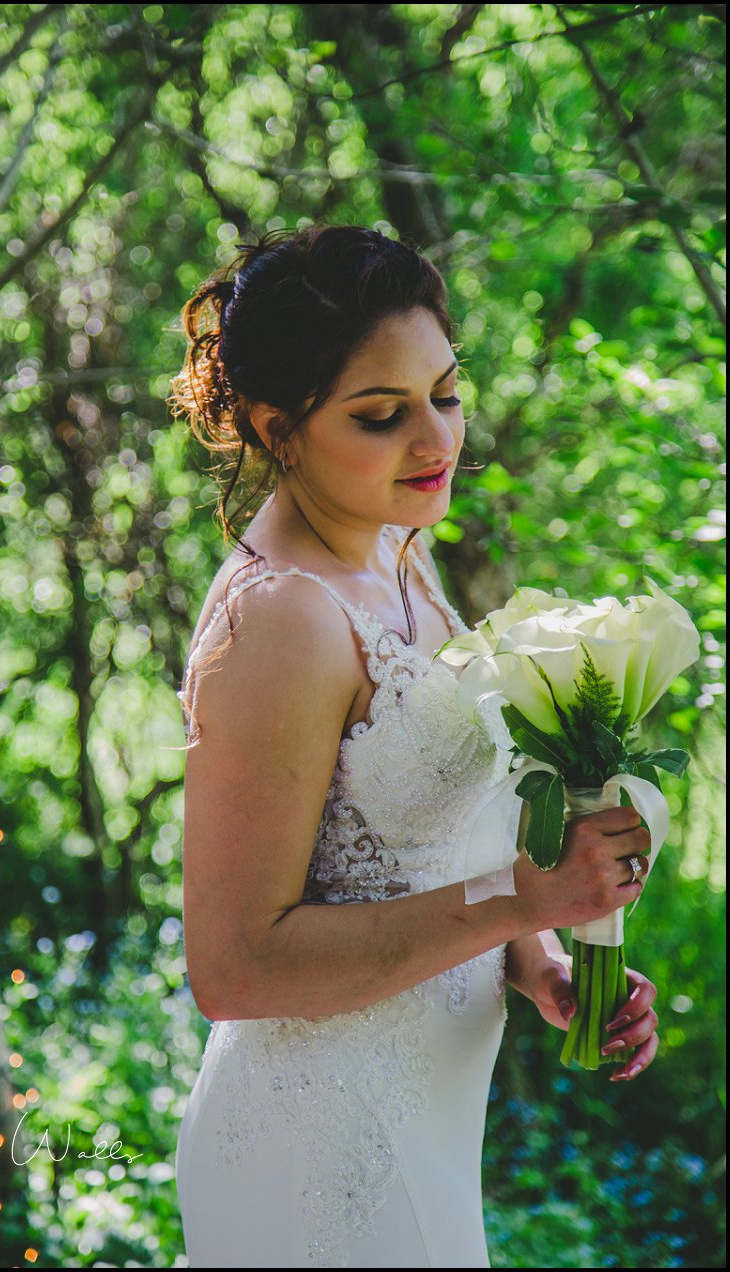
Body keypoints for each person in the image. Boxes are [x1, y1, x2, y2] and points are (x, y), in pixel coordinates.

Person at [165, 226, 662, 1268]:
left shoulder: (396, 554)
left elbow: (422, 851)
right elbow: (233, 967)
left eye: (443, 392)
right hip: (317, 1152)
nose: (434, 439)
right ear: (275, 427)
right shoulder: (282, 621)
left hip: (427, 1116)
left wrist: (541, 958)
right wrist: (524, 901)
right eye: (380, 415)